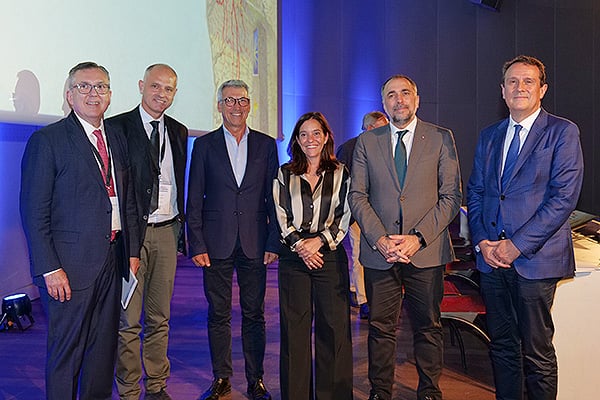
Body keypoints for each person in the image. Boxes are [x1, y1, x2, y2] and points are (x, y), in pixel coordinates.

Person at [19, 61, 140, 400]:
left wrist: (131, 252)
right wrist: (49, 267)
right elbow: (33, 211)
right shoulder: (48, 140)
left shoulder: (115, 138)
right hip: (69, 266)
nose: (93, 93)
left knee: (102, 351)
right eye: (84, 87)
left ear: (111, 95)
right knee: (66, 352)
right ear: (70, 95)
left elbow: (125, 198)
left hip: (113, 257)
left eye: (100, 86)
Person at [467, 55, 584, 400]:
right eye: (513, 82)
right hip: (492, 262)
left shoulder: (562, 132)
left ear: (542, 89)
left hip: (535, 261)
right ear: (502, 91)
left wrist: (516, 245)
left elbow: (563, 198)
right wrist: (483, 242)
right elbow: (475, 192)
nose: (520, 88)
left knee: (537, 353)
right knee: (502, 348)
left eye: (528, 81)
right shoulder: (490, 136)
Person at [348, 74, 462, 400]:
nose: (399, 100)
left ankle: (429, 390)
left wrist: (417, 239)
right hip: (379, 252)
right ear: (383, 103)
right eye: (391, 95)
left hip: (425, 252)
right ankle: (380, 391)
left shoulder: (441, 138)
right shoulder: (367, 142)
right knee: (381, 328)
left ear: (417, 98)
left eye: (405, 93)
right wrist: (381, 239)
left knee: (427, 326)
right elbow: (357, 196)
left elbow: (451, 196)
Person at [187, 79, 279, 400]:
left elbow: (274, 198)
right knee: (219, 314)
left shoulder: (267, 146)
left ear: (250, 105)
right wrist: (195, 243)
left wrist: (273, 241)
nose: (236, 106)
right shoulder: (204, 145)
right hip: (215, 244)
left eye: (241, 100)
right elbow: (194, 198)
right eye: (229, 101)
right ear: (219, 105)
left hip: (255, 242)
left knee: (255, 314)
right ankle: (222, 378)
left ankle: (256, 380)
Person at [107, 64, 188, 400]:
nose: (161, 94)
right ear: (141, 86)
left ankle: (156, 386)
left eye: (168, 89)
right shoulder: (117, 127)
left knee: (160, 317)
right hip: (132, 237)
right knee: (129, 321)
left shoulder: (180, 131)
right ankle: (128, 391)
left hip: (168, 232)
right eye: (155, 86)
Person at [273, 111, 353, 399]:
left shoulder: (342, 172)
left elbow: (345, 215)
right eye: (304, 134)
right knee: (294, 333)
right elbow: (281, 216)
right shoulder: (284, 173)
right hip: (294, 259)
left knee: (333, 330)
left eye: (316, 133)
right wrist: (301, 246)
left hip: (329, 256)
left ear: (327, 137)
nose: (310, 139)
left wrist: (318, 242)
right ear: (296, 139)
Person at [336, 110, 388, 320]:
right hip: (357, 212)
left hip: (378, 212)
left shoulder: (385, 148)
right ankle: (364, 299)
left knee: (367, 254)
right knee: (359, 254)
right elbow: (341, 183)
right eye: (381, 128)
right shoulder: (348, 148)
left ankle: (353, 288)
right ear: (369, 128)